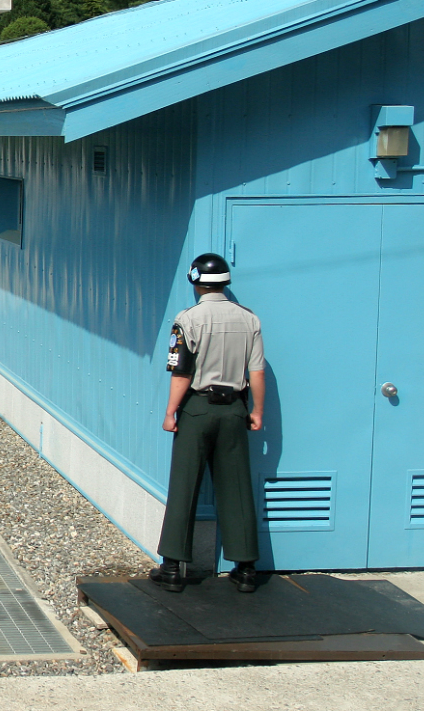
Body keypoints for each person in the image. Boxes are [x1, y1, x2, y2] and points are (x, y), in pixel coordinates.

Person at [151, 253, 266, 593]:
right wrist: (257, 410)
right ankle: (245, 568)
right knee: (237, 486)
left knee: (185, 483)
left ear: (195, 280)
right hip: (234, 409)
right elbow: (256, 371)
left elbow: (182, 371)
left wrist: (171, 411)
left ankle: (173, 567)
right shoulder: (250, 320)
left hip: (198, 409)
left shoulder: (188, 319)